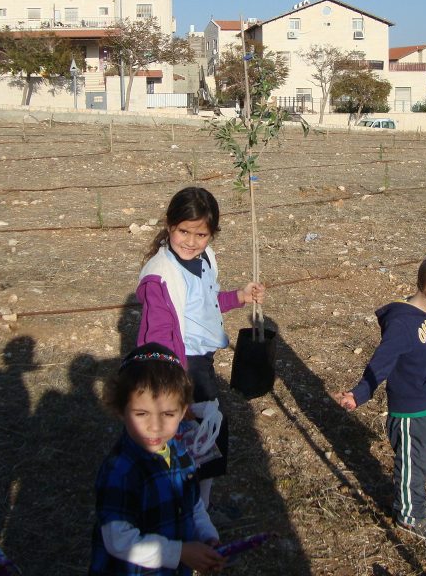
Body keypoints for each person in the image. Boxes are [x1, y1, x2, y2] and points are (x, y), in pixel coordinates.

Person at [335, 249, 426, 544]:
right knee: (412, 462)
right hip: (410, 412)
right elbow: (380, 364)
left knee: (425, 457)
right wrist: (359, 394)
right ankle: (410, 514)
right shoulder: (402, 323)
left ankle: (416, 499)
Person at [136, 186, 264, 506]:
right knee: (194, 432)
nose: (191, 242)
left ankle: (199, 503)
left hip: (200, 359)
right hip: (179, 364)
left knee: (207, 431)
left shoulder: (205, 259)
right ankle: (187, 506)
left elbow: (206, 302)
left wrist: (239, 297)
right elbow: (160, 336)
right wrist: (175, 388)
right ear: (169, 225)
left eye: (201, 234)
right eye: (184, 232)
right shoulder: (160, 277)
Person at [89, 342, 224, 575]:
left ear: (183, 412)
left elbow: (193, 503)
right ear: (121, 410)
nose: (155, 426)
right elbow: (118, 540)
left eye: (168, 414)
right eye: (141, 414)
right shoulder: (121, 470)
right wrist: (180, 552)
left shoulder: (179, 450)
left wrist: (208, 536)